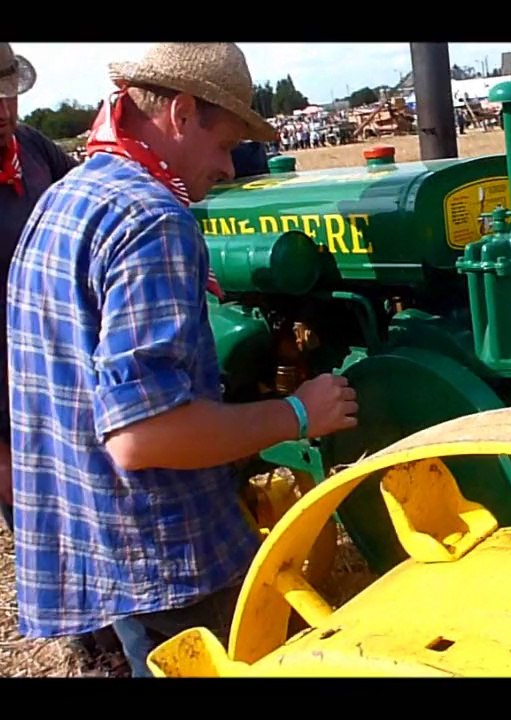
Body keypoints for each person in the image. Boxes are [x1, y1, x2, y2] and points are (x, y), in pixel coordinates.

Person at [6, 42, 359, 678]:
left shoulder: (66, 196)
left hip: (99, 542)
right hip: (168, 554)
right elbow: (144, 434)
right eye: (224, 145)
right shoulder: (152, 219)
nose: (226, 168)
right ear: (182, 112)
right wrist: (298, 414)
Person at [0, 43, 79, 532]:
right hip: (8, 410)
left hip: (66, 379)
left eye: (8, 94)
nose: (3, 110)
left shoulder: (31, 147)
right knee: (44, 536)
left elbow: (88, 199)